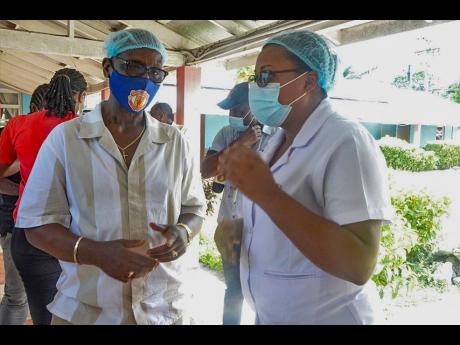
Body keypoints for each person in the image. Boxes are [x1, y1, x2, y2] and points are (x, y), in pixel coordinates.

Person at [15, 28, 206, 325]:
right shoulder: (66, 140)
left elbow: (194, 208)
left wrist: (183, 232)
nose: (144, 79)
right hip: (86, 311)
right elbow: (36, 225)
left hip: (163, 310)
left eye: (156, 72)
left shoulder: (174, 143)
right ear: (108, 67)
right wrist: (97, 254)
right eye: (133, 66)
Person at [217, 29, 392, 324]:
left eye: (266, 76)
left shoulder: (346, 140)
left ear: (308, 81)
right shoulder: (276, 140)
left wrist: (267, 195)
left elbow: (359, 263)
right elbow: (284, 224)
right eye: (255, 77)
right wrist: (239, 234)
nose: (256, 88)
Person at [0, 71, 86, 325]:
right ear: (81, 96)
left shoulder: (19, 125)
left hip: (30, 232)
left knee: (42, 314)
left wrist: (27, 180)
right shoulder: (85, 129)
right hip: (75, 233)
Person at [201, 82, 275, 325]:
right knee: (234, 290)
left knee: (265, 293)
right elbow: (206, 170)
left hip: (264, 229)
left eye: (237, 109)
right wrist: (240, 142)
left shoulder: (275, 137)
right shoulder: (227, 134)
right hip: (231, 226)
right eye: (230, 110)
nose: (232, 115)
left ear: (254, 108)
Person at [0, 83, 49, 325]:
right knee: (17, 297)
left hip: (42, 227)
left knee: (40, 297)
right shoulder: (16, 130)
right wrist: (23, 159)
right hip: (13, 224)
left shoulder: (52, 135)